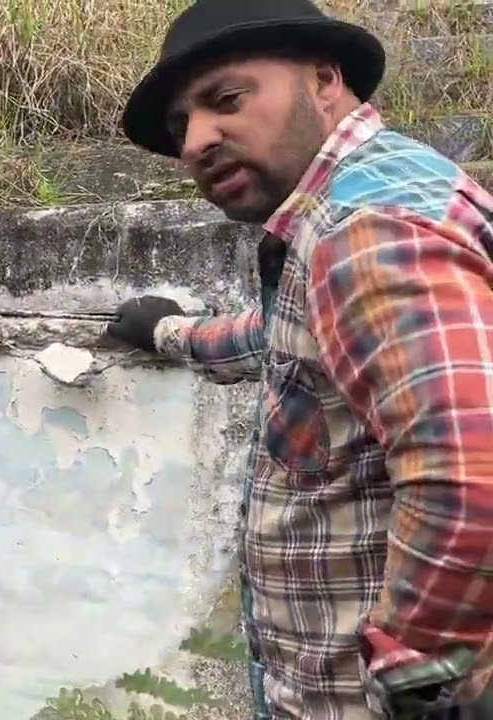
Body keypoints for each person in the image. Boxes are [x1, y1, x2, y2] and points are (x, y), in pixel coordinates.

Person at [104, 1, 493, 719]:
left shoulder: (367, 228)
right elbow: (290, 342)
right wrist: (172, 333)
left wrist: (417, 683)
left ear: (324, 81)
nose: (195, 142)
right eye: (180, 127)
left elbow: (469, 481)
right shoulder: (357, 205)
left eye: (226, 100)